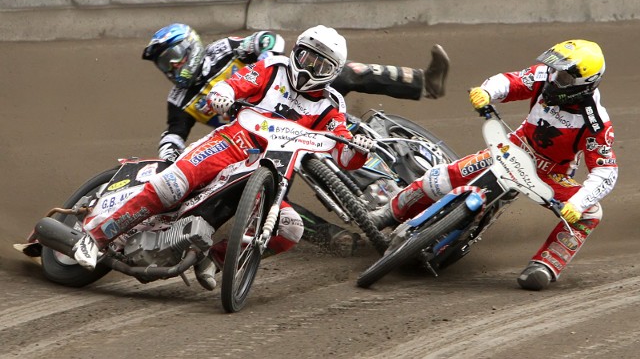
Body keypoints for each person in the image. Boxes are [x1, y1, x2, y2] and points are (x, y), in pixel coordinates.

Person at [73, 25, 375, 291]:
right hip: (231, 143)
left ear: (332, 72)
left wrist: (359, 148)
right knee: (172, 185)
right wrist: (224, 92)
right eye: (306, 58)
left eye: (319, 65)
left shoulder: (331, 104)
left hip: (274, 169)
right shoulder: (274, 68)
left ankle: (215, 261)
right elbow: (238, 81)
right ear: (297, 53)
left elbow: (343, 151)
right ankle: (94, 237)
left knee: (290, 228)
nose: (309, 68)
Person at [142, 23, 450, 253]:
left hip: (292, 87)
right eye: (162, 63)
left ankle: (424, 81)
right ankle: (331, 236)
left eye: (173, 56)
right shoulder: (178, 98)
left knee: (348, 74)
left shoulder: (221, 49)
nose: (170, 66)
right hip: (254, 136)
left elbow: (268, 39)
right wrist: (167, 160)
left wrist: (273, 69)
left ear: (190, 46)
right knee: (260, 187)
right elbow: (173, 134)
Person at [371, 39, 618, 291]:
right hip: (512, 148)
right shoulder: (545, 76)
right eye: (555, 71)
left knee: (590, 213)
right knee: (442, 177)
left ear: (582, 83)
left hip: (550, 174)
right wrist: (487, 92)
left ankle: (546, 265)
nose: (555, 79)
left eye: (563, 77)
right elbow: (511, 81)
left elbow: (606, 171)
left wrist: (578, 204)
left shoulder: (596, 122)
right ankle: (388, 212)